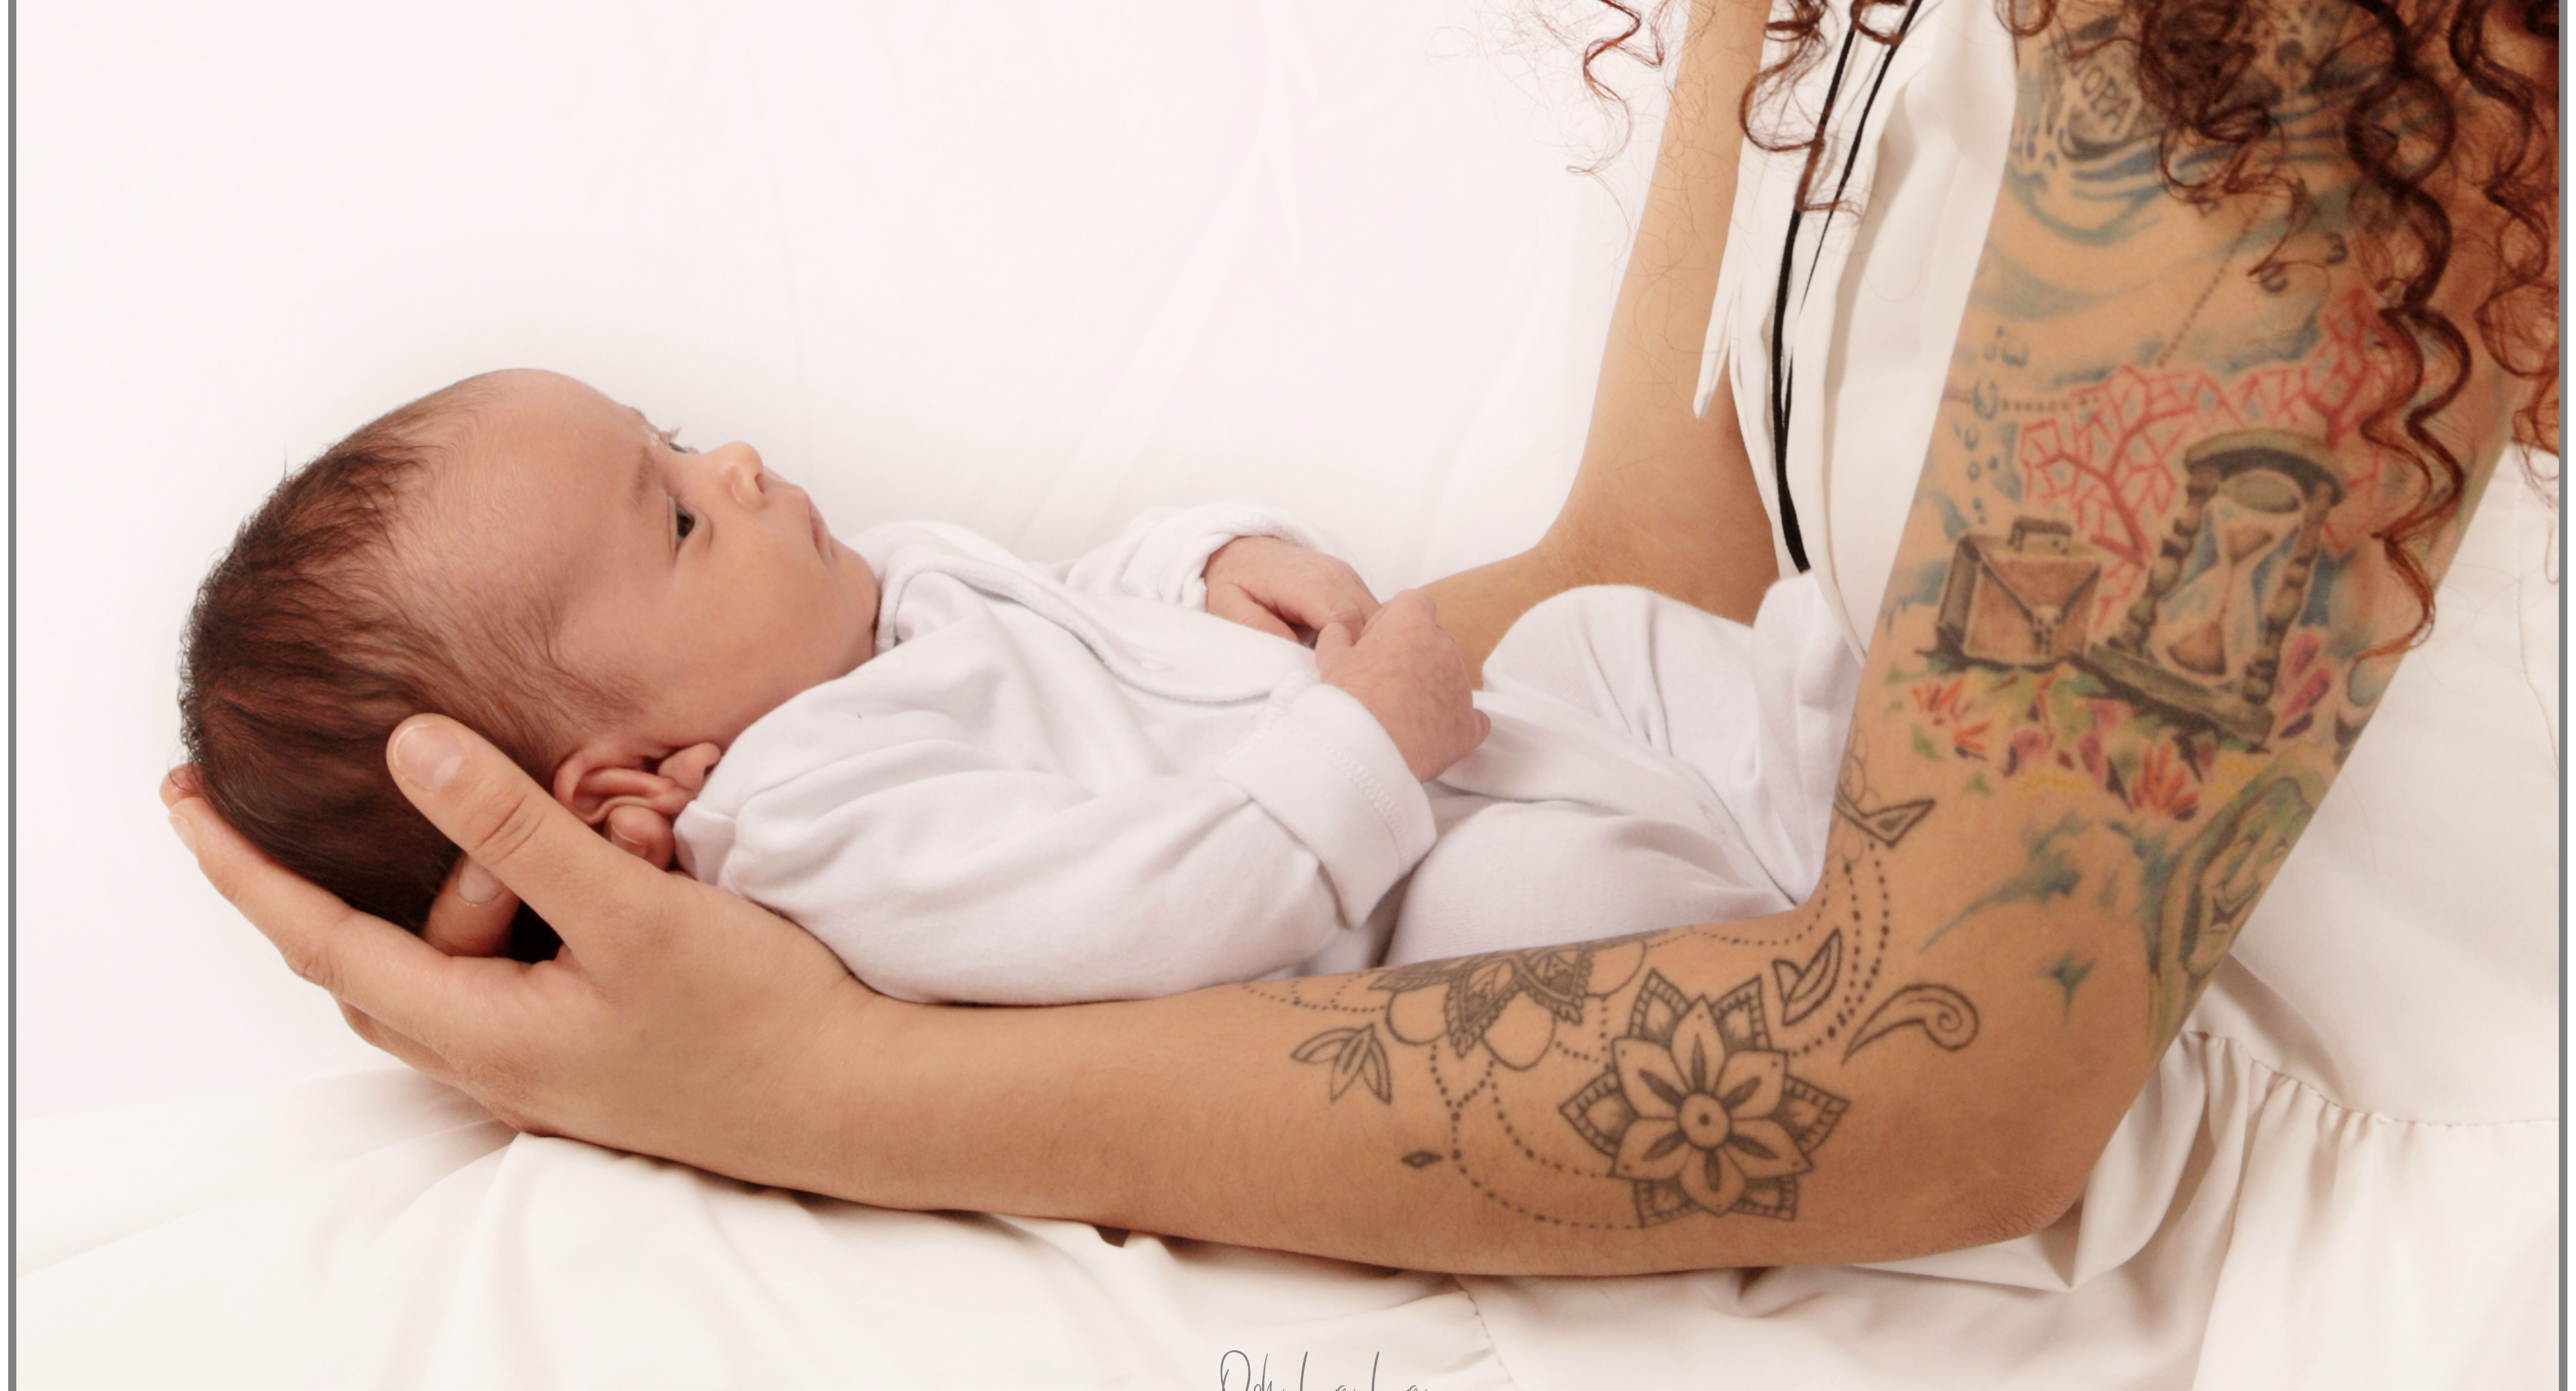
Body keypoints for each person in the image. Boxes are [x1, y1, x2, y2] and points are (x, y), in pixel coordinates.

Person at [168, 0, 2555, 1290]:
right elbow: (1665, 553)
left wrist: (805, 1099)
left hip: (2311, 1172)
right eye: (677, 518)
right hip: (1789, 894)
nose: (753, 477)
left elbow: (1943, 1080)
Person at [182, 367, 1856, 1003]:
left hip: (1422, 742)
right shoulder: (819, 828)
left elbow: (1076, 606)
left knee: (1605, 633)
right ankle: (1787, 916)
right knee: (1538, 893)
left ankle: (1810, 775)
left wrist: (1205, 562)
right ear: (632, 788)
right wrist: (1366, 746)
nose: (745, 461)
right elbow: (1145, 914)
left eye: (677, 434)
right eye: (682, 512)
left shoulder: (874, 598)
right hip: (1382, 890)